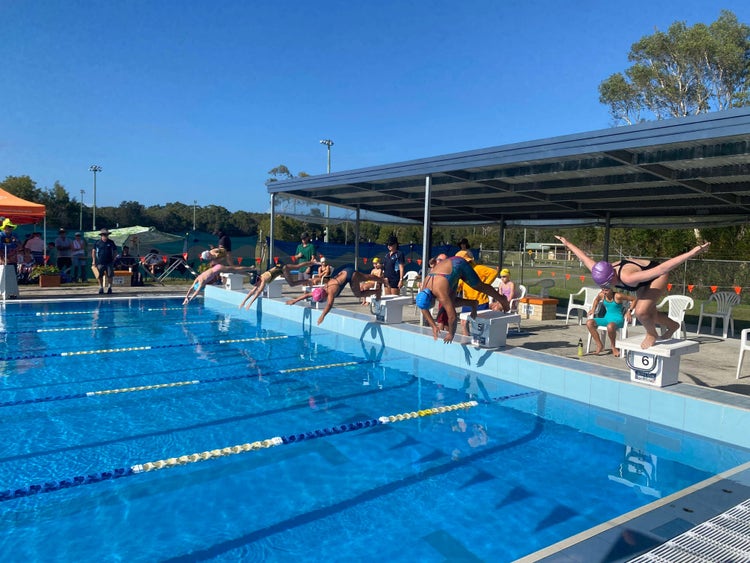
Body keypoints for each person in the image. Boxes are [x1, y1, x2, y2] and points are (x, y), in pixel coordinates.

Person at [555, 235, 711, 349]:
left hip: (656, 276)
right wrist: (567, 242)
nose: (607, 287)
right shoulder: (599, 269)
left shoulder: (628, 277)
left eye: (609, 284)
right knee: (650, 314)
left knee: (642, 312)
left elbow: (663, 268)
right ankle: (673, 325)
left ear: (613, 276)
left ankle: (652, 334)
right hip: (642, 282)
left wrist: (692, 253)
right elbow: (583, 257)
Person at [415, 253, 510, 343]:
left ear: (432, 299)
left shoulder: (440, 292)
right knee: (451, 302)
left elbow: (452, 317)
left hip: (459, 264)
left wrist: (451, 334)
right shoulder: (424, 289)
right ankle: (473, 303)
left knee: (478, 286)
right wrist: (433, 326)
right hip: (449, 270)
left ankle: (502, 299)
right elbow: (423, 309)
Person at [285, 264, 385, 325]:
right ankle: (380, 284)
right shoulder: (321, 290)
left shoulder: (331, 292)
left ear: (323, 297)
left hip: (350, 275)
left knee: (360, 290)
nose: (322, 302)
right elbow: (307, 295)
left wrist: (322, 316)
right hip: (345, 272)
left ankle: (378, 289)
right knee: (366, 277)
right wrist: (294, 300)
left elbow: (329, 305)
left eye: (321, 300)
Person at [183, 251, 256, 305]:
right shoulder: (198, 278)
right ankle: (249, 272)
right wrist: (186, 297)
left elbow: (196, 292)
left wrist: (189, 300)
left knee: (235, 269)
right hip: (216, 267)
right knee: (234, 271)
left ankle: (250, 268)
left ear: (199, 286)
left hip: (218, 269)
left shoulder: (202, 282)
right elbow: (191, 288)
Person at [456, 250, 499, 336]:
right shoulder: (463, 273)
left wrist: (485, 285)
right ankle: (466, 338)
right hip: (467, 302)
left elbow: (494, 272)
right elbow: (460, 284)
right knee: (464, 322)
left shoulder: (478, 268)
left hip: (480, 302)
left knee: (480, 324)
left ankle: (481, 340)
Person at [586, 287, 637, 357]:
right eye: (603, 290)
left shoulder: (618, 296)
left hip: (618, 319)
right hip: (606, 318)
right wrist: (593, 309)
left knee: (610, 326)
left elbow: (634, 299)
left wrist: (629, 311)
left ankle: (613, 347)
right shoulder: (602, 295)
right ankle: (599, 345)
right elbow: (596, 300)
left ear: (611, 289)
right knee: (589, 323)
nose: (604, 292)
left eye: (606, 290)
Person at [91, 228, 118, 295]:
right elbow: (93, 251)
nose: (105, 236)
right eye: (104, 235)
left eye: (106, 235)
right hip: (100, 262)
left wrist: (114, 259)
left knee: (110, 275)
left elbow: (115, 251)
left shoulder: (111, 242)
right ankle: (101, 287)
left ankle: (109, 287)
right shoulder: (97, 242)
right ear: (101, 235)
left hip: (109, 262)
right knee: (99, 276)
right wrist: (93, 261)